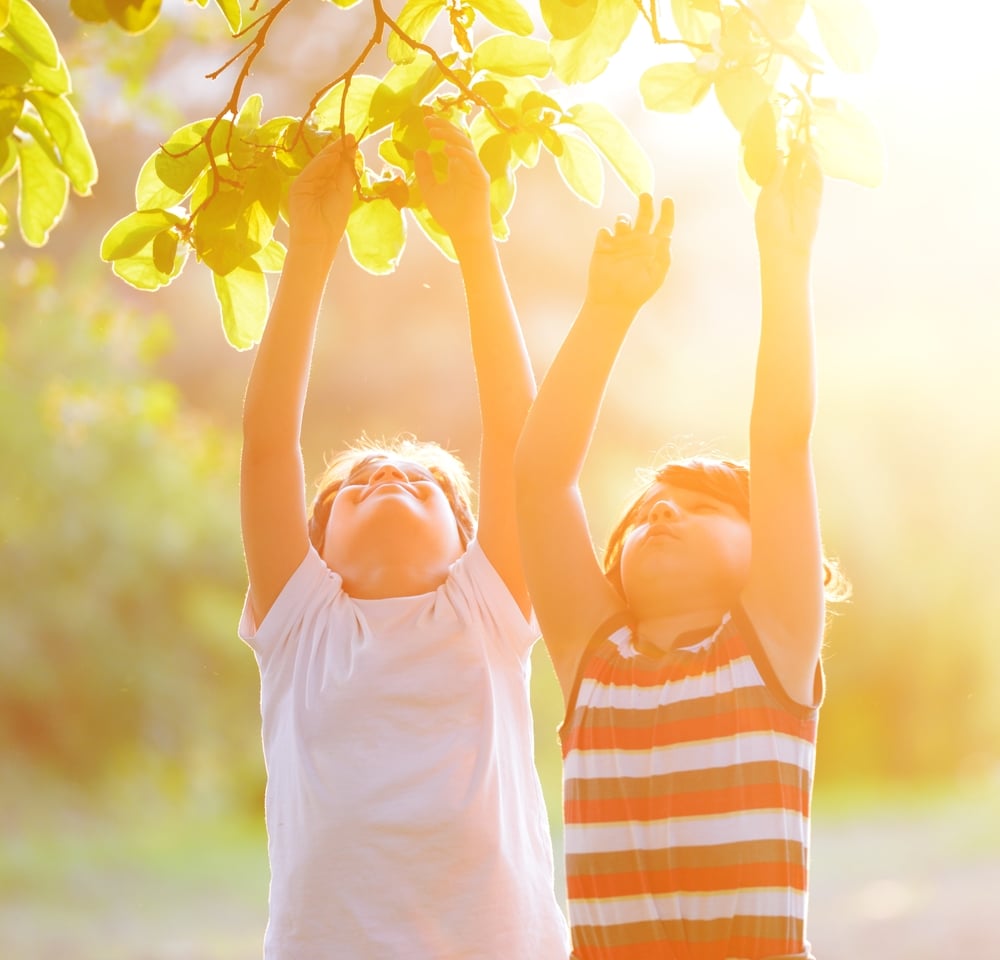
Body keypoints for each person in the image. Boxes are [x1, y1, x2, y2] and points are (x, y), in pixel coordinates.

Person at [239, 118, 570, 959]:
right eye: (355, 482)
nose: (389, 475)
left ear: (468, 541)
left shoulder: (486, 609)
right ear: (316, 545)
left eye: (426, 481)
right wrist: (309, 248)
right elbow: (270, 442)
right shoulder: (300, 620)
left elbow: (515, 433)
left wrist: (473, 237)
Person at [514, 146, 847, 960]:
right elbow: (540, 479)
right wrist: (608, 310)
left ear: (766, 549)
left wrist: (785, 260)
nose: (664, 511)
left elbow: (780, 445)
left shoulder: (769, 646)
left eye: (702, 508)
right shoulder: (595, 659)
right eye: (649, 510)